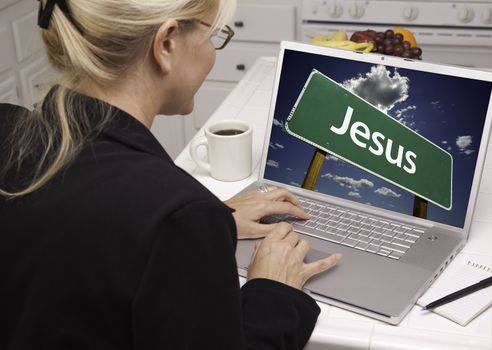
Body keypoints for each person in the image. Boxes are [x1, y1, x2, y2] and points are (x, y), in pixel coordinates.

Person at [0, 0, 341, 349]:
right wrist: (274, 290)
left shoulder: (8, 129)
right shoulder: (178, 215)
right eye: (213, 37)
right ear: (166, 44)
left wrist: (198, 225)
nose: (212, 54)